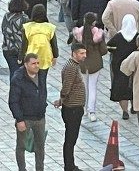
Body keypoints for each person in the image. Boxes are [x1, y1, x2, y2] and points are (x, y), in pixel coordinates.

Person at [9, 53, 48, 171]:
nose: (36, 66)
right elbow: (13, 101)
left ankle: (40, 169)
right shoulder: (18, 78)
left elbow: (42, 91)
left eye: (37, 63)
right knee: (21, 146)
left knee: (40, 147)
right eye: (33, 64)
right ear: (26, 65)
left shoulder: (41, 74)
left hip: (40, 117)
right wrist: (19, 119)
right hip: (25, 117)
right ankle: (22, 169)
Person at [53, 43, 87, 171]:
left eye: (84, 53)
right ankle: (69, 166)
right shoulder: (71, 68)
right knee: (70, 139)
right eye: (81, 53)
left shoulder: (74, 66)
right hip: (72, 108)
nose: (84, 56)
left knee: (72, 138)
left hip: (75, 107)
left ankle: (70, 164)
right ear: (73, 53)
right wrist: (61, 99)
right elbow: (67, 87)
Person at [71, 12, 107, 122]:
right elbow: (104, 50)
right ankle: (92, 111)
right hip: (95, 63)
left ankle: (84, 109)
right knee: (92, 88)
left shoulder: (78, 34)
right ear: (94, 22)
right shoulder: (98, 35)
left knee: (83, 87)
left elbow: (73, 48)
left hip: (81, 63)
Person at [107, 15, 139, 120]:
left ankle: (125, 111)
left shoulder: (118, 37)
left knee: (122, 89)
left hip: (120, 68)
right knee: (134, 87)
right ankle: (134, 106)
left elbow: (109, 47)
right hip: (135, 68)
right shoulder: (138, 37)